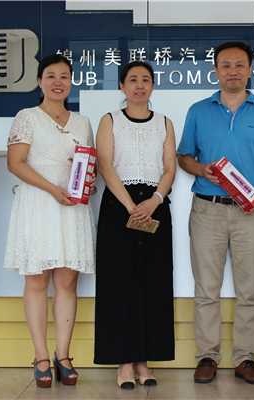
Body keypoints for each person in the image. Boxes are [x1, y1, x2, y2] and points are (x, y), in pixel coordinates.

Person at [177, 41, 254, 385]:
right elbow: (184, 157)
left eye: (240, 65)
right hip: (207, 209)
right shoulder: (198, 111)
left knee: (248, 289)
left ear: (250, 69)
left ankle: (245, 358)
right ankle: (207, 356)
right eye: (225, 65)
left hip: (249, 211)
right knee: (206, 289)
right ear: (215, 71)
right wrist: (201, 169)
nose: (233, 71)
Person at [3, 54, 95, 387]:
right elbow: (15, 163)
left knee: (67, 283)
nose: (58, 82)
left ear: (71, 82)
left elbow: (89, 163)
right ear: (40, 81)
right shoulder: (27, 117)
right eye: (51, 75)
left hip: (72, 207)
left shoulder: (82, 122)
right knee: (37, 281)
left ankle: (63, 355)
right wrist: (53, 189)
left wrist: (88, 181)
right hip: (39, 204)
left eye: (64, 76)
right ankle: (41, 356)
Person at [93, 61, 176, 389]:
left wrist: (155, 200)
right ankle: (124, 361)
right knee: (119, 284)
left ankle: (145, 360)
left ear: (153, 85)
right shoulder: (110, 120)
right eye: (133, 80)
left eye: (145, 80)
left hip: (155, 206)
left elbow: (169, 168)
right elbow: (105, 165)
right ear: (122, 87)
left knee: (153, 283)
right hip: (119, 206)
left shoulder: (165, 122)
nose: (139, 85)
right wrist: (131, 207)